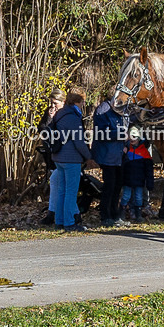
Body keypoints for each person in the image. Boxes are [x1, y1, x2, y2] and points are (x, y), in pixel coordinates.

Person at [50, 88, 92, 232]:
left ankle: (59, 221)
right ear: (78, 102)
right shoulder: (73, 117)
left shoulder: (60, 114)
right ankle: (69, 222)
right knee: (70, 192)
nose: (83, 105)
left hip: (58, 158)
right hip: (71, 159)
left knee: (62, 191)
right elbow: (79, 141)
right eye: (82, 102)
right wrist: (89, 156)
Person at [92, 93, 129, 227]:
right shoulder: (103, 110)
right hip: (107, 154)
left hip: (118, 154)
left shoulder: (120, 109)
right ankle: (105, 215)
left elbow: (126, 127)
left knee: (118, 185)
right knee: (109, 185)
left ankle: (114, 214)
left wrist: (126, 145)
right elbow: (101, 133)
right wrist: (121, 135)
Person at [37, 89, 66, 225]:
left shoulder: (66, 114)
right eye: (51, 102)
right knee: (55, 182)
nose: (53, 106)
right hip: (53, 154)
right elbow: (42, 129)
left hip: (65, 154)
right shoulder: (50, 112)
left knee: (59, 183)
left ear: (63, 102)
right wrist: (49, 118)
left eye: (56, 103)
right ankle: (53, 213)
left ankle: (59, 214)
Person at [120, 127, 154, 223]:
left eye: (134, 137)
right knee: (126, 196)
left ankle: (138, 214)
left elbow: (149, 170)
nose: (132, 139)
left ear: (139, 138)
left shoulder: (144, 152)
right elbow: (121, 166)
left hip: (139, 180)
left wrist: (149, 183)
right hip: (127, 179)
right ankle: (121, 213)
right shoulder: (126, 150)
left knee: (139, 197)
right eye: (130, 137)